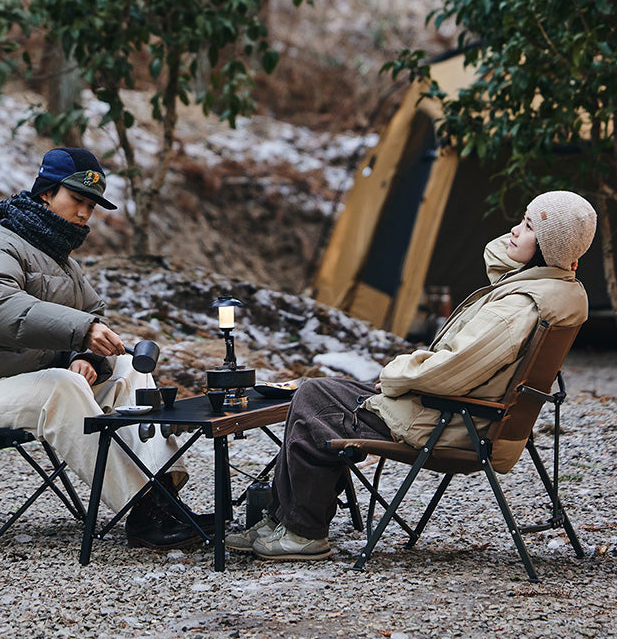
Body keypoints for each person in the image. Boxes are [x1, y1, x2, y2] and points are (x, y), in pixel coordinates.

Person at [227, 190, 598, 561]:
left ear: (549, 247)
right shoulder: (560, 288)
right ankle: (284, 519)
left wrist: (394, 375)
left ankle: (302, 531)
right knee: (322, 394)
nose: (514, 231)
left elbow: (451, 371)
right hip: (475, 414)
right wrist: (545, 244)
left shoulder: (517, 306)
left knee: (313, 399)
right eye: (521, 220)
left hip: (451, 418)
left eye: (528, 226)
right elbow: (497, 255)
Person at [0, 147, 197, 551]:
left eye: (91, 205)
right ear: (47, 193)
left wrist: (84, 357)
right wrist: (80, 333)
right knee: (59, 387)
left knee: (127, 367)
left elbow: (91, 311)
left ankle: (165, 496)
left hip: (16, 384)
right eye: (77, 200)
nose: (85, 214)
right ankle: (143, 510)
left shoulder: (61, 259)